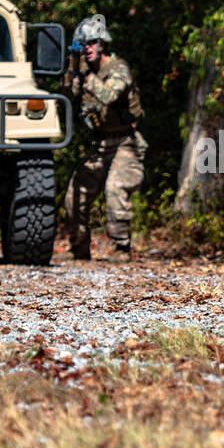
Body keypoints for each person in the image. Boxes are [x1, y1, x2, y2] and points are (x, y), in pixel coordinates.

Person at [63, 14, 146, 263]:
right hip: (99, 144)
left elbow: (109, 96)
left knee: (115, 189)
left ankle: (122, 248)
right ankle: (78, 248)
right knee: (74, 194)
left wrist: (87, 79)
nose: (87, 49)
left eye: (91, 44)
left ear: (102, 44)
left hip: (125, 143)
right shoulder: (84, 71)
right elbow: (68, 93)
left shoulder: (119, 69)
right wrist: (72, 68)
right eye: (83, 45)